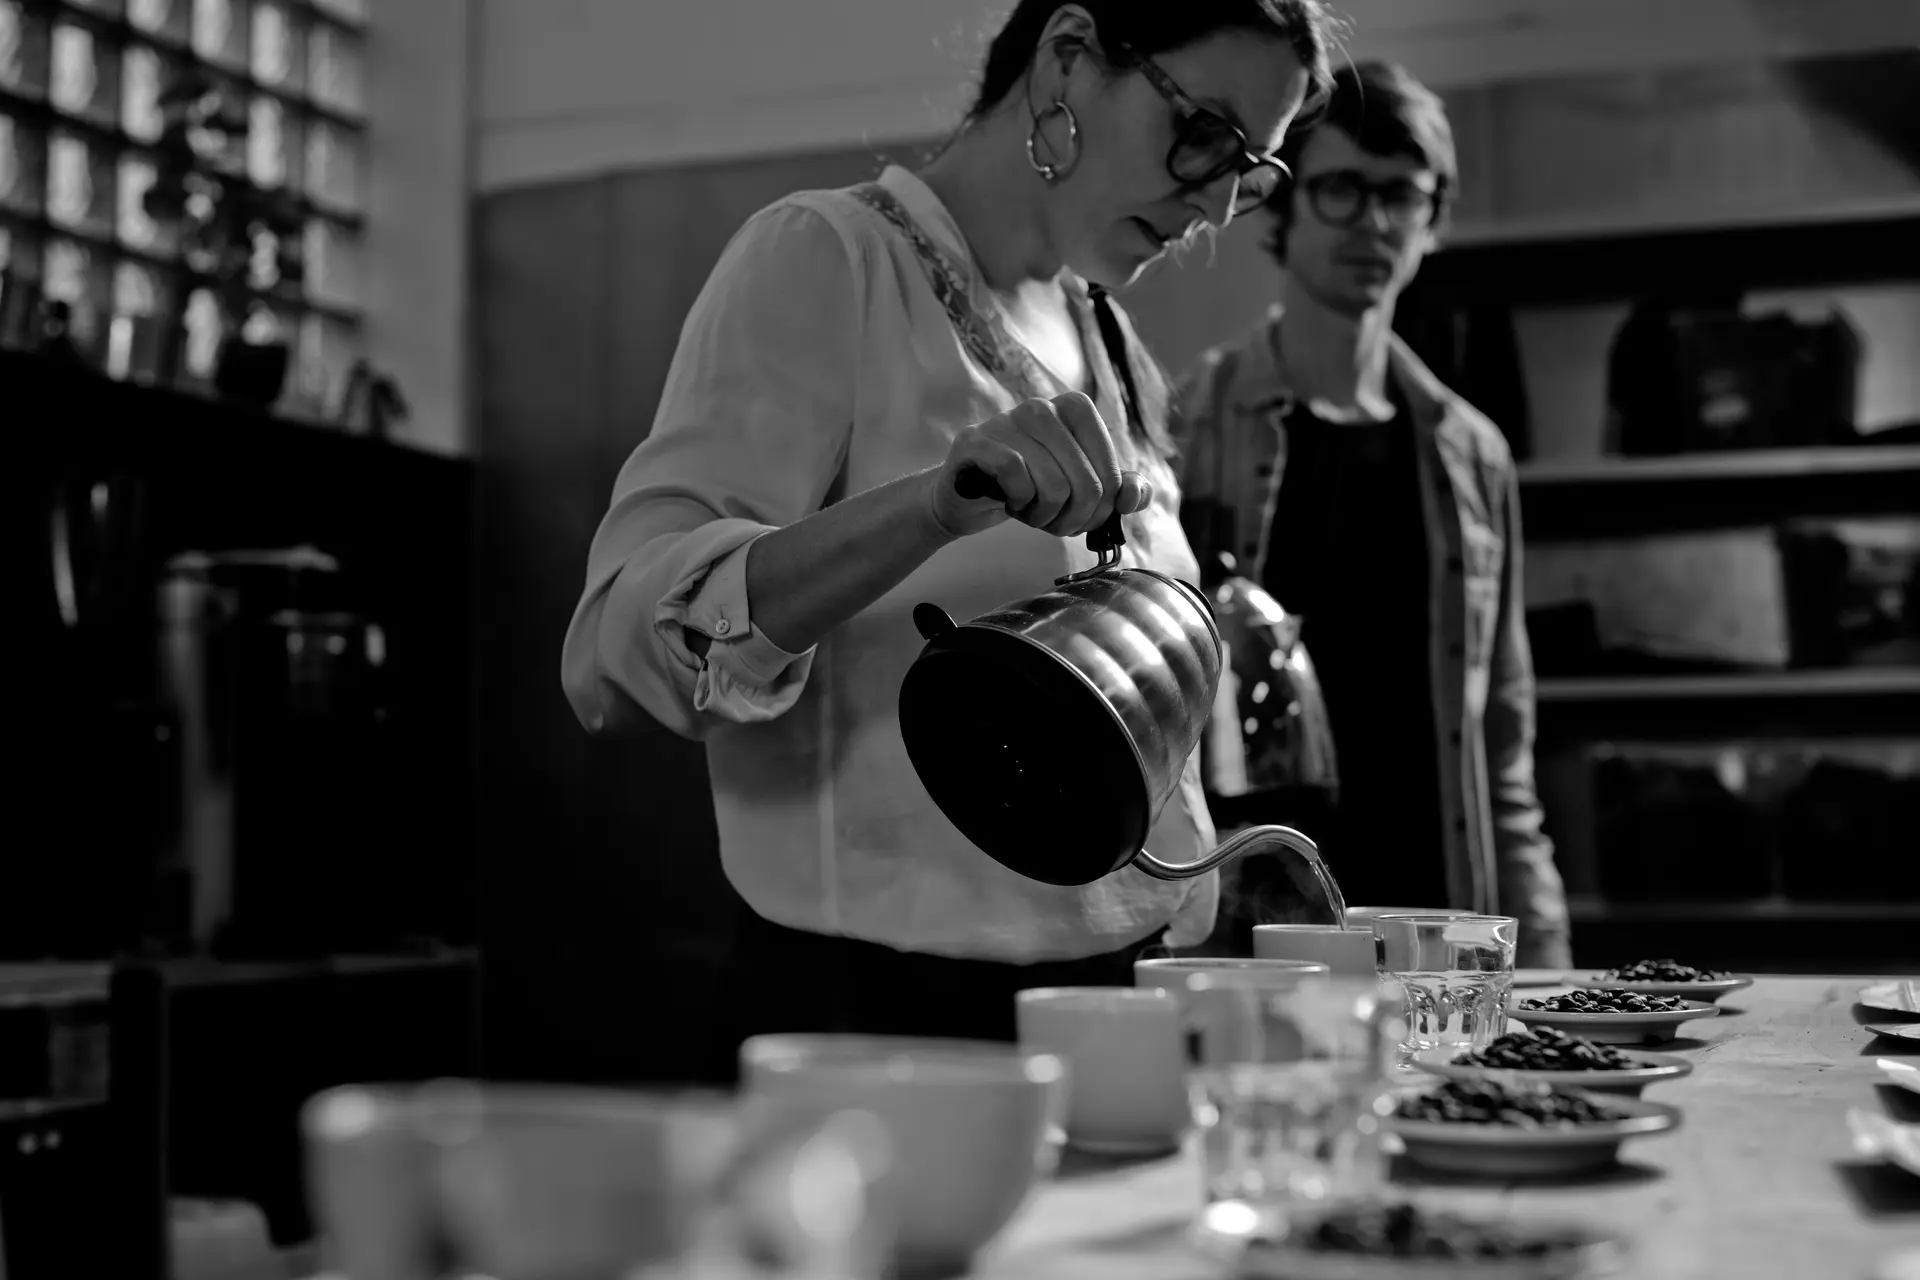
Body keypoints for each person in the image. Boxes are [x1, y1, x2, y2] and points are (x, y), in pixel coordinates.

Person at [562, 1, 1337, 1072]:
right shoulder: (828, 258)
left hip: (1112, 1005)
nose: (1214, 204)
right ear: (1069, 57)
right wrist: (931, 506)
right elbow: (612, 653)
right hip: (880, 1027)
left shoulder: (1107, 337)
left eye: (1250, 171)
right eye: (1204, 132)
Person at [1175, 60, 1573, 969]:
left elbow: (1502, 750)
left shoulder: (1472, 455)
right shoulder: (1194, 421)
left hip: (1436, 919)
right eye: (1342, 189)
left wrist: (1546, 959)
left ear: (1432, 219)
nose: (1374, 221)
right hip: (1256, 921)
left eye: (1400, 194)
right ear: (1281, 206)